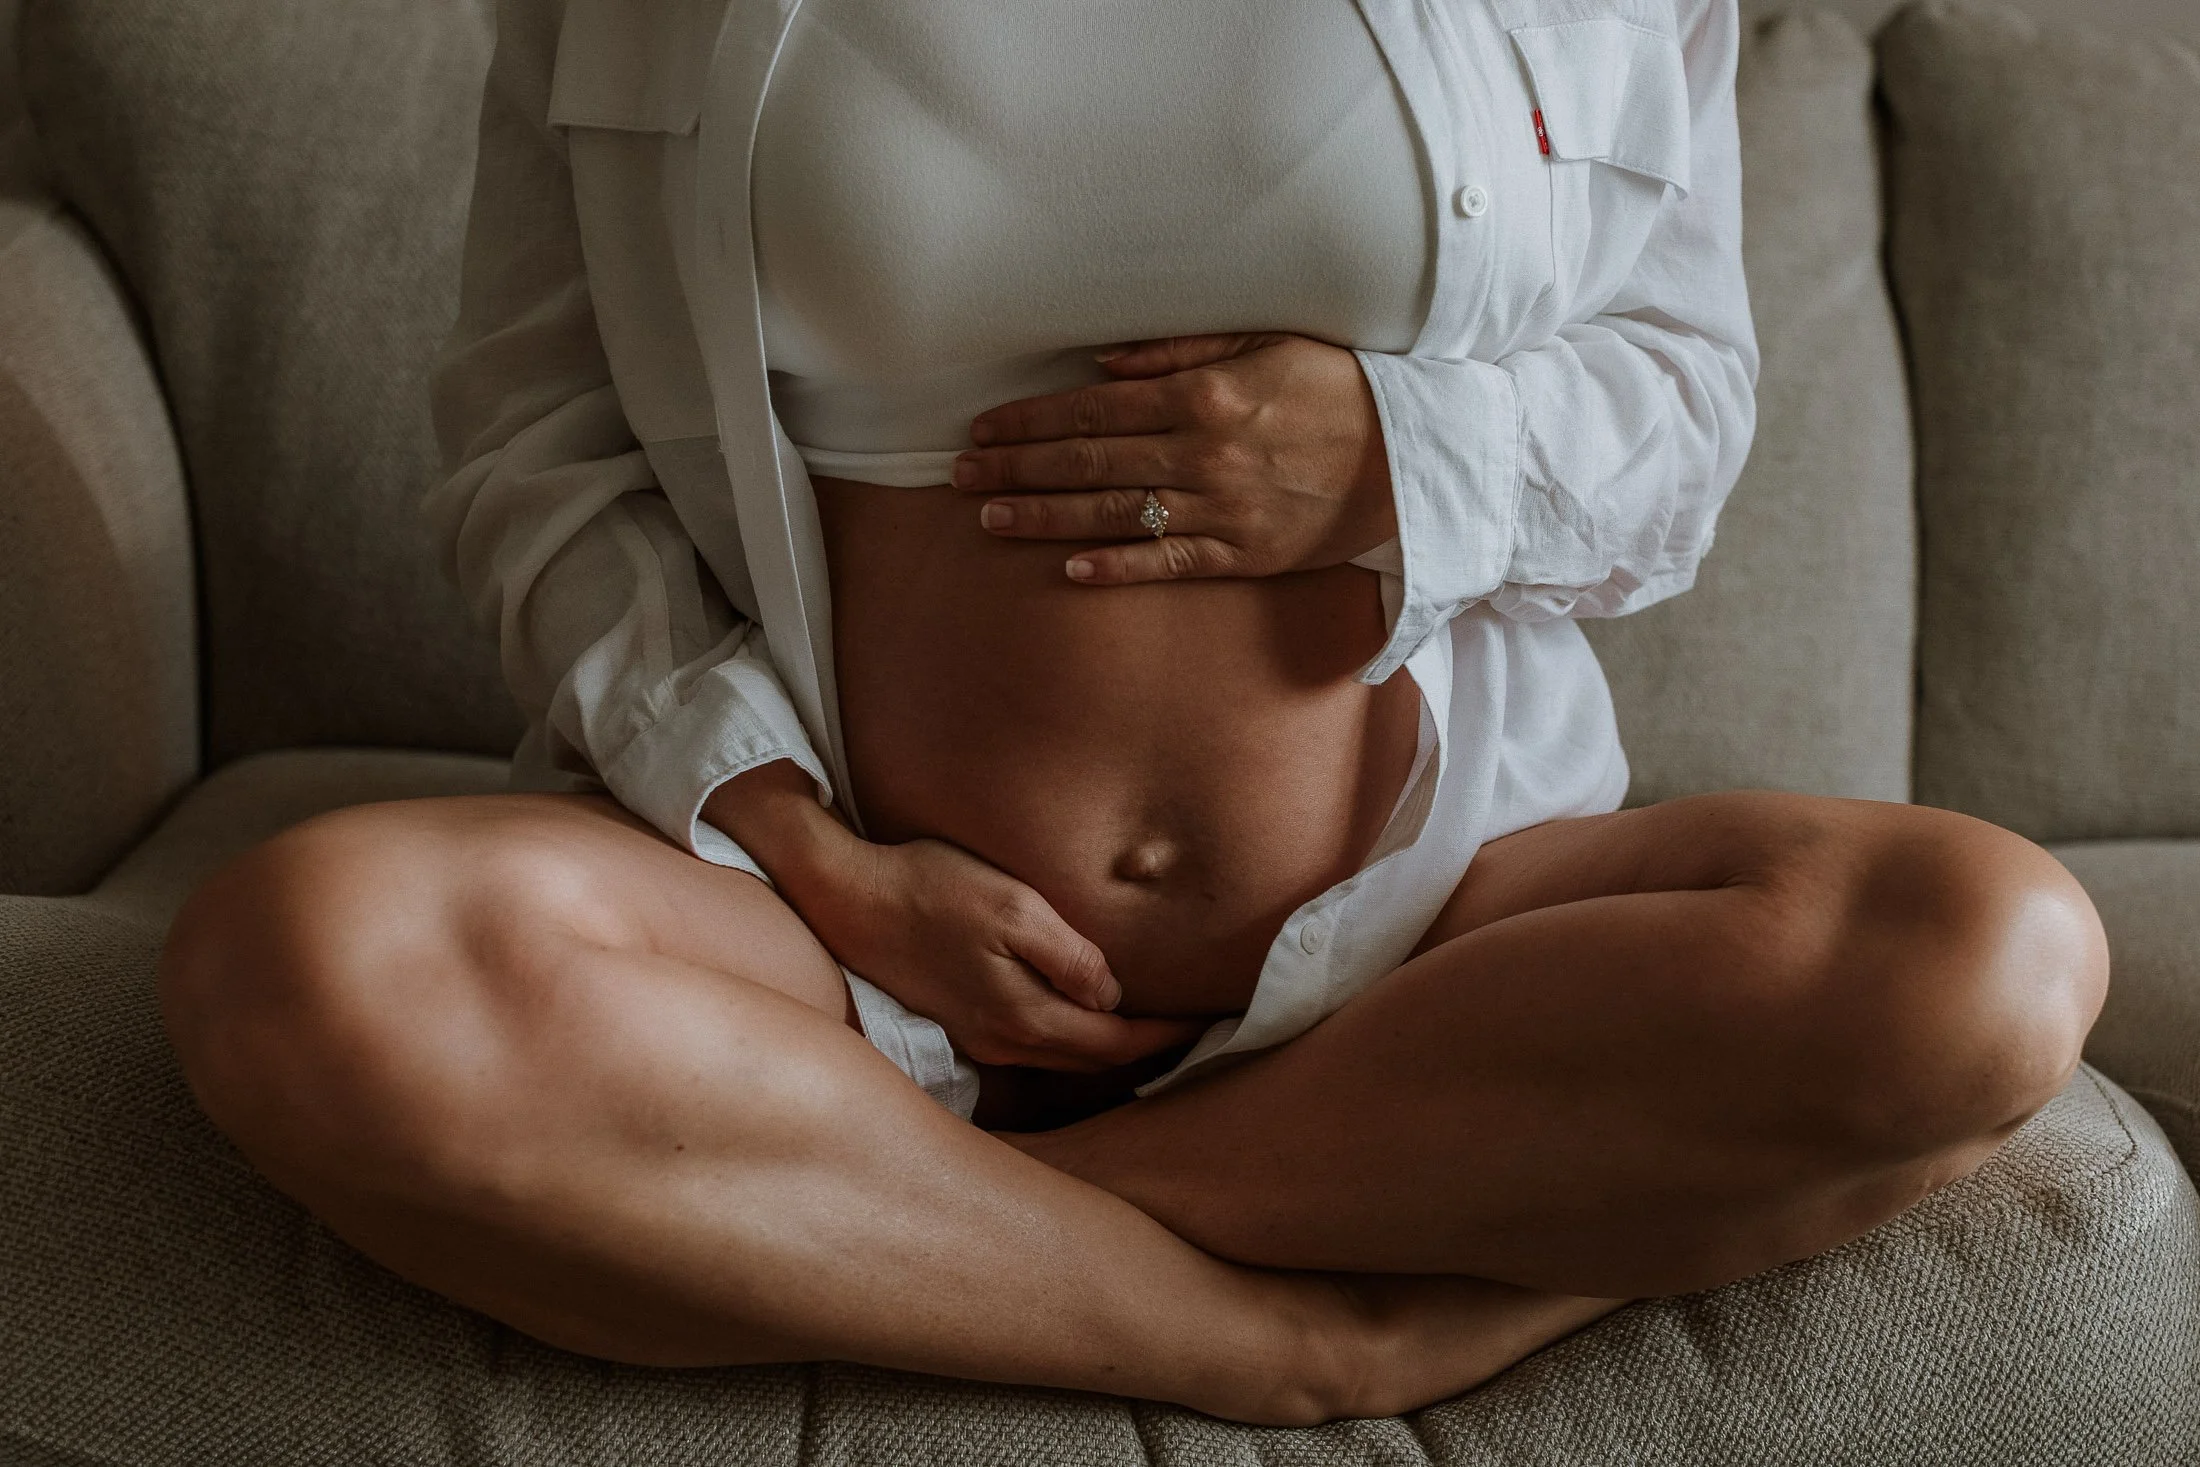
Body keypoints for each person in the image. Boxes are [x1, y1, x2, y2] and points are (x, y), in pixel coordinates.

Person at [154, 0, 2109, 1427]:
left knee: (1983, 961)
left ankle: (882, 1212)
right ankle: (1274, 1340)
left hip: (1421, 955)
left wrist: (1395, 459)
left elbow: (1677, 414)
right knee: (308, 964)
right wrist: (814, 856)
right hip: (834, 954)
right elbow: (534, 446)